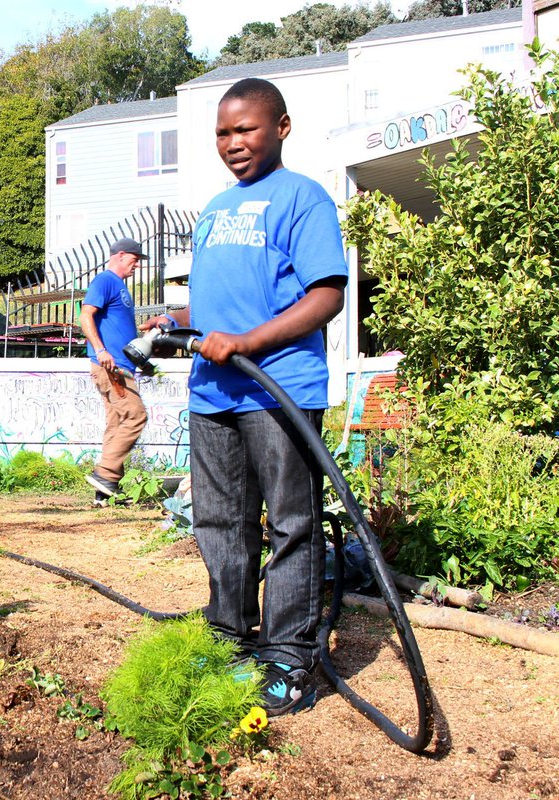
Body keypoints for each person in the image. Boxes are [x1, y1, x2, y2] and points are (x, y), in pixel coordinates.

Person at [142, 78, 347, 716]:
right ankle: (227, 637)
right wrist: (177, 323)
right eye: (223, 133)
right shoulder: (213, 210)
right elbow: (218, 300)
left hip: (278, 388)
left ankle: (289, 657)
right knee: (220, 524)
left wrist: (247, 342)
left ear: (281, 128)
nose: (233, 144)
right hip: (213, 395)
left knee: (291, 523)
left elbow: (326, 297)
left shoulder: (304, 200)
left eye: (246, 129)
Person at [79, 237, 149, 506]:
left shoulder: (119, 286)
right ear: (121, 255)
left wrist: (143, 363)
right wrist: (100, 350)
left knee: (117, 423)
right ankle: (105, 475)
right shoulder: (105, 281)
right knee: (136, 417)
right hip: (111, 366)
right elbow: (86, 316)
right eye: (134, 260)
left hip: (121, 365)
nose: (136, 266)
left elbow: (120, 331)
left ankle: (104, 492)